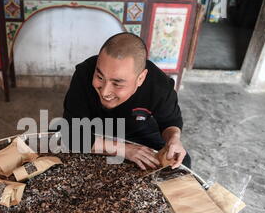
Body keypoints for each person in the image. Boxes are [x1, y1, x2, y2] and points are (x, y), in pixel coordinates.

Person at [62, 32, 191, 170]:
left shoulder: (159, 85)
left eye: (117, 84)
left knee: (180, 162)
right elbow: (72, 134)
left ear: (141, 78)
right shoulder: (84, 73)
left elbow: (170, 122)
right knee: (56, 141)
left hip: (137, 132)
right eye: (100, 77)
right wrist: (124, 150)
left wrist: (173, 139)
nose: (104, 92)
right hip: (95, 131)